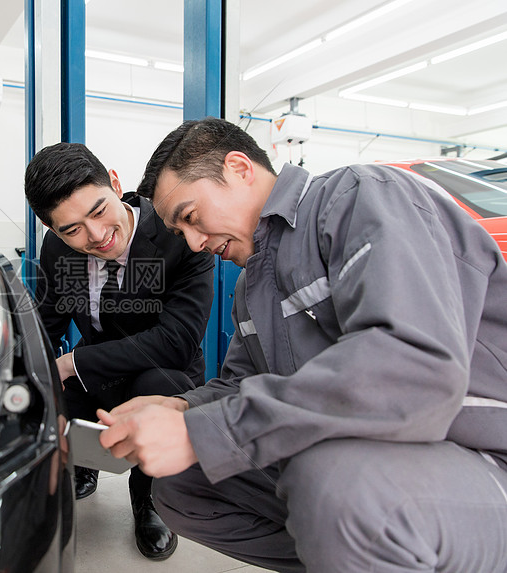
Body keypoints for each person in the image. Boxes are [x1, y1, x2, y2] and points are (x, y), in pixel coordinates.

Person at [97, 117, 507, 572]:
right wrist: (185, 410)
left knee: (335, 482)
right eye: (180, 233)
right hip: (384, 459)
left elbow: (412, 368)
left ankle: (358, 538)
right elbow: (241, 383)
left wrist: (212, 432)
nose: (194, 244)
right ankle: (352, 553)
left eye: (192, 218)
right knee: (180, 484)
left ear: (239, 167)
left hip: (481, 454)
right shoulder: (250, 288)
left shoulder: (358, 196)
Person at [24, 142, 215, 560]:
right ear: (52, 231)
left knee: (149, 386)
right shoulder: (59, 252)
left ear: (114, 183)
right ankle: (85, 464)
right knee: (46, 388)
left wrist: (73, 362)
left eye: (97, 211)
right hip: (100, 377)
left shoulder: (176, 234)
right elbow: (47, 324)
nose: (95, 236)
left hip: (165, 373)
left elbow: (176, 340)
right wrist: (24, 366)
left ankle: (150, 498)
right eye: (71, 229)